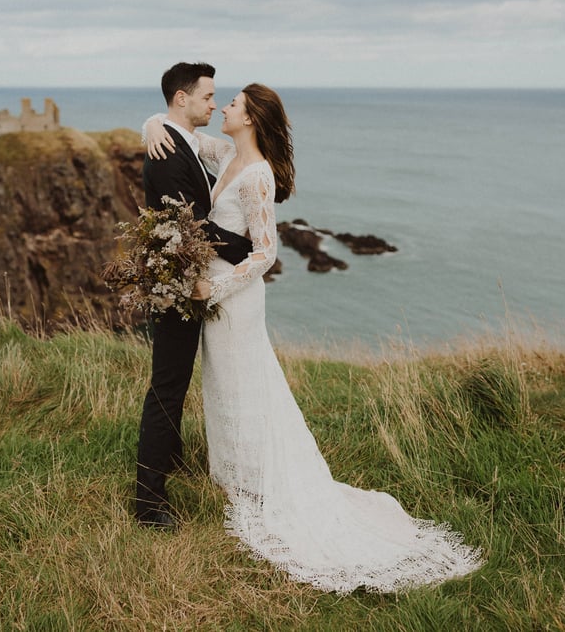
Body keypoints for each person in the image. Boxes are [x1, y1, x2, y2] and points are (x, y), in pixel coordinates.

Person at [142, 84, 483, 592]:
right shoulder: (228, 153)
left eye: (232, 104)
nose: (224, 109)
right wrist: (151, 121)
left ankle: (257, 486)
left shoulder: (256, 175)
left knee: (245, 386)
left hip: (231, 300)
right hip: (212, 297)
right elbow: (182, 134)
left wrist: (211, 288)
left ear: (251, 118)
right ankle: (235, 476)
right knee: (226, 388)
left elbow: (266, 254)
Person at [134, 62, 254, 530]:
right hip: (178, 289)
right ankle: (148, 503)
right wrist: (249, 249)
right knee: (166, 389)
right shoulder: (166, 152)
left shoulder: (178, 139)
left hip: (188, 283)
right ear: (181, 98)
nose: (213, 103)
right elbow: (192, 227)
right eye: (207, 96)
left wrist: (151, 121)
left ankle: (173, 458)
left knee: (175, 383)